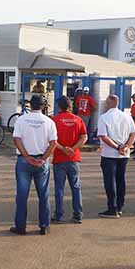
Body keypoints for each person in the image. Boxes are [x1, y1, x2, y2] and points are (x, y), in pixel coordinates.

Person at [10, 95, 57, 235]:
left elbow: (17, 139)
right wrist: (43, 159)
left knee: (22, 195)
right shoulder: (49, 122)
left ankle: (21, 226)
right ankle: (44, 225)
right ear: (43, 106)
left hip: (24, 161)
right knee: (43, 194)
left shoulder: (21, 120)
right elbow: (53, 143)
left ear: (30, 105)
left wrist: (27, 157)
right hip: (41, 162)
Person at [96, 94, 135, 218]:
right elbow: (133, 134)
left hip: (109, 154)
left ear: (108, 104)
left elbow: (104, 136)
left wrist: (117, 147)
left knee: (110, 181)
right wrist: (126, 146)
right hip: (124, 155)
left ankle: (112, 208)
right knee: (121, 180)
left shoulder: (104, 118)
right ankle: (119, 206)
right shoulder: (127, 117)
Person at [50, 96, 88, 224]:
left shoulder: (54, 120)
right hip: (74, 158)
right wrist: (73, 149)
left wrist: (62, 149)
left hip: (59, 158)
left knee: (59, 188)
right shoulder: (78, 120)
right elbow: (84, 137)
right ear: (70, 106)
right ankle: (78, 214)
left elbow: (52, 140)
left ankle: (58, 215)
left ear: (59, 106)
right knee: (76, 187)